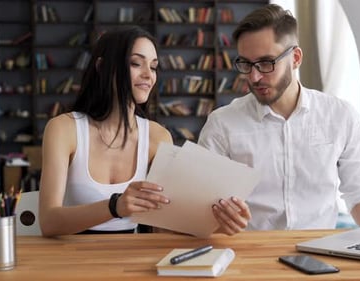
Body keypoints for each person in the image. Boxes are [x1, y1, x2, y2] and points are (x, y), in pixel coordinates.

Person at [198, 4, 360, 230]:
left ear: (296, 58)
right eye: (246, 64)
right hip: (249, 253)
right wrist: (219, 217)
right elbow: (200, 201)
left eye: (266, 63)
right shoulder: (222, 124)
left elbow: (358, 190)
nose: (254, 76)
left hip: (319, 251)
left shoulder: (341, 116)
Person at [39, 26, 250, 237]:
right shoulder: (63, 129)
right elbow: (49, 222)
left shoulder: (157, 137)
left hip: (130, 257)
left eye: (154, 66)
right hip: (71, 259)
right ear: (102, 67)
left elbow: (163, 225)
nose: (148, 75)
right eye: (135, 63)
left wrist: (217, 224)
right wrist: (115, 206)